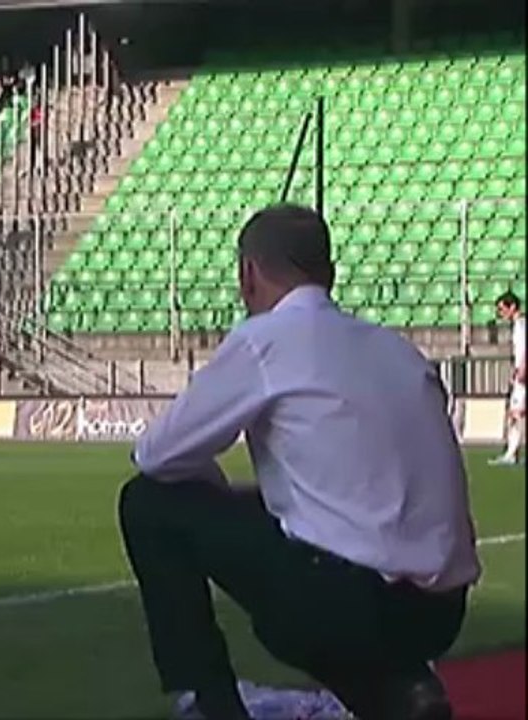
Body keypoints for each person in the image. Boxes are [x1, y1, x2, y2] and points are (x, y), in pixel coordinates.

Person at [119, 205, 478, 720]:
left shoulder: (264, 340)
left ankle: (211, 703)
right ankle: (400, 691)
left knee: (148, 503)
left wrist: (211, 486)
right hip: (441, 612)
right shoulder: (398, 349)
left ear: (248, 274)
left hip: (347, 609)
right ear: (329, 272)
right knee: (301, 535)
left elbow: (156, 455)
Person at [490, 291, 525, 465]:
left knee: (515, 414)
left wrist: (522, 370)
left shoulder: (521, 325)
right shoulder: (518, 325)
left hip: (523, 376)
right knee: (515, 414)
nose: (501, 313)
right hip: (520, 373)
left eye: (502, 309)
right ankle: (512, 452)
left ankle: (511, 454)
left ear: (512, 307)